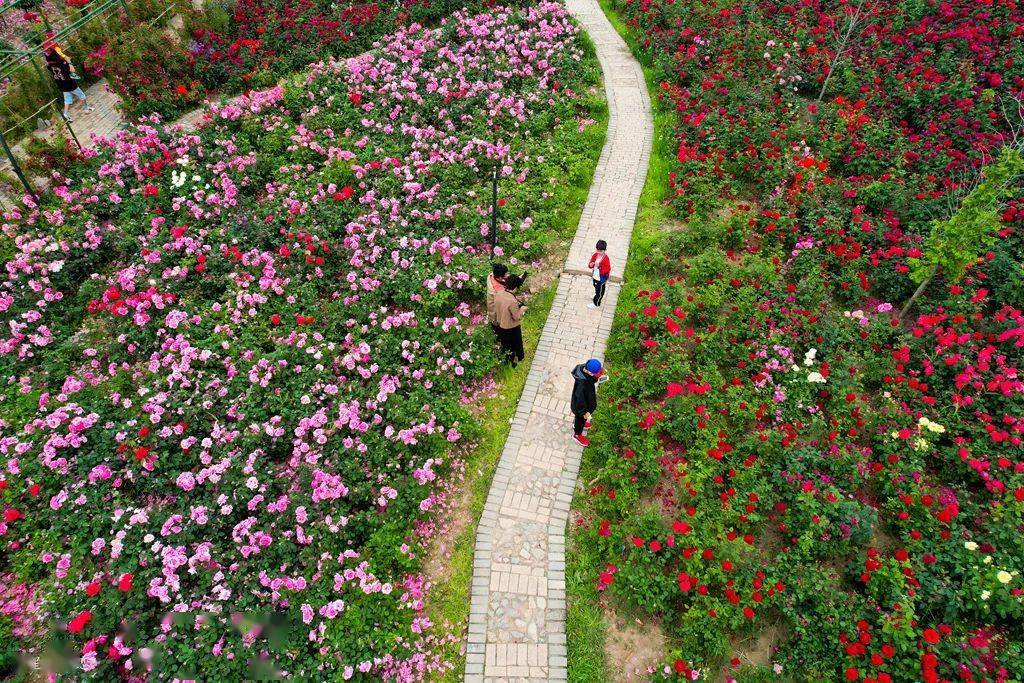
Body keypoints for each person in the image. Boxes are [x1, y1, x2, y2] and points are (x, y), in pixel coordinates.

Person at [43, 38, 94, 122]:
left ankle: (65, 114)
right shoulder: (63, 63)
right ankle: (86, 109)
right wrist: (69, 62)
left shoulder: (50, 66)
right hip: (70, 84)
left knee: (67, 100)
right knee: (82, 96)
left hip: (61, 85)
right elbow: (72, 71)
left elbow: (49, 63)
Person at [493, 274, 526, 366]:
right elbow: (517, 317)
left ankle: (506, 360)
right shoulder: (512, 301)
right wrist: (522, 309)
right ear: (516, 287)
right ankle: (519, 358)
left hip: (501, 324)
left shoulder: (498, 294)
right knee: (516, 344)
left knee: (506, 345)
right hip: (512, 327)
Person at [570, 358, 603, 446]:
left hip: (585, 404)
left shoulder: (584, 369)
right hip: (581, 409)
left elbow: (592, 378)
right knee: (580, 419)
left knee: (580, 420)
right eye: (598, 372)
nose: (600, 373)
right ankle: (577, 434)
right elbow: (580, 401)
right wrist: (584, 412)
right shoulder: (582, 385)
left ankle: (578, 423)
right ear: (590, 373)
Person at [486, 263, 509, 333]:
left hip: (492, 307)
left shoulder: (491, 275)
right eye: (506, 274)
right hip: (496, 312)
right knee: (498, 327)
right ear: (500, 277)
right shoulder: (498, 290)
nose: (507, 275)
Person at [588, 240, 611, 308]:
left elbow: (608, 268)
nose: (599, 252)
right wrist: (591, 265)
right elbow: (590, 264)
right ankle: (596, 295)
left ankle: (596, 303)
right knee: (595, 286)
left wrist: (599, 267)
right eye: (598, 250)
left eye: (601, 251)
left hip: (601, 278)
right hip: (595, 276)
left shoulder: (606, 258)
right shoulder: (595, 255)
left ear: (605, 250)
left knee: (600, 291)